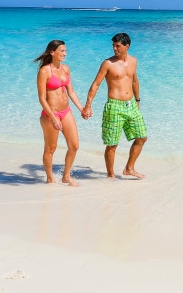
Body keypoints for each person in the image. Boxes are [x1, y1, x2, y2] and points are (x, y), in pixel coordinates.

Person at [83, 32, 148, 179]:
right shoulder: (108, 63)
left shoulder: (133, 61)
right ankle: (111, 175)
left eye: (117, 46)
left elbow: (134, 81)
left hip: (131, 104)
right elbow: (96, 84)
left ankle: (129, 168)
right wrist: (88, 105)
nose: (114, 49)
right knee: (112, 144)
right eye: (113, 46)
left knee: (142, 137)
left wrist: (138, 101)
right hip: (114, 106)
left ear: (127, 46)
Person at [34, 39, 86, 186]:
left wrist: (82, 109)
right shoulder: (44, 71)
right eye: (62, 51)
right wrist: (53, 117)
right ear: (52, 52)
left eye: (65, 50)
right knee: (51, 148)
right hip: (50, 115)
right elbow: (42, 98)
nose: (65, 53)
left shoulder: (65, 69)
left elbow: (72, 92)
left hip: (66, 112)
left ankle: (66, 176)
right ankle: (50, 178)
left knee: (74, 145)